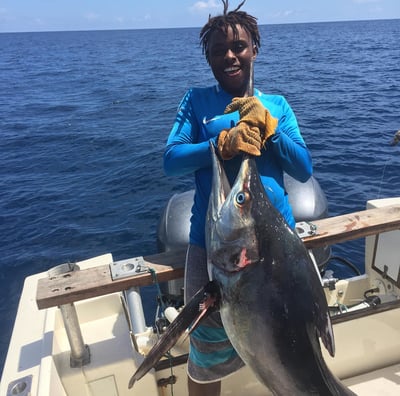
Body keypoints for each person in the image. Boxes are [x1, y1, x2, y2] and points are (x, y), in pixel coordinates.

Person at [163, 1, 312, 395]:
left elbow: (303, 169)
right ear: (209, 58)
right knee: (207, 353)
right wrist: (220, 144)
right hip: (215, 248)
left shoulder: (275, 105)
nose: (230, 56)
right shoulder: (195, 102)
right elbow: (171, 159)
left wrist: (270, 129)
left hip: (278, 245)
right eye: (218, 50)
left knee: (289, 340)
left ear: (254, 50)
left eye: (239, 46)